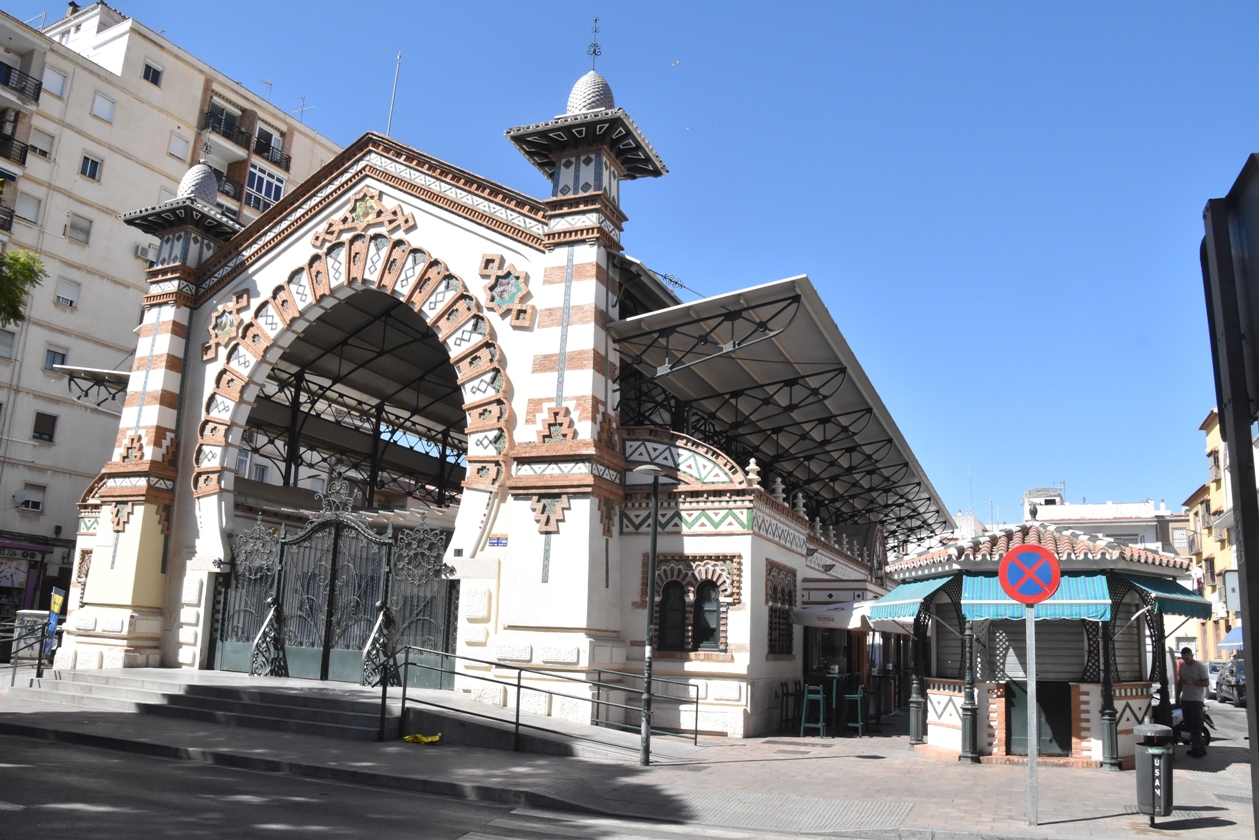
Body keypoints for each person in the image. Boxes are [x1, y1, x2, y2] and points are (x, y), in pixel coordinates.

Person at [1176, 647, 1210, 757]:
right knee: (1189, 724)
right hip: (1185, 699)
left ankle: (1196, 749)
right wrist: (1177, 696)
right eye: (1184, 658)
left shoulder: (1199, 667)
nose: (1186, 660)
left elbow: (1206, 683)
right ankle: (1201, 748)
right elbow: (1180, 681)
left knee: (1196, 725)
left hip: (1196, 700)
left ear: (1191, 655)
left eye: (1187, 658)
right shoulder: (1183, 666)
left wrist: (1193, 682)